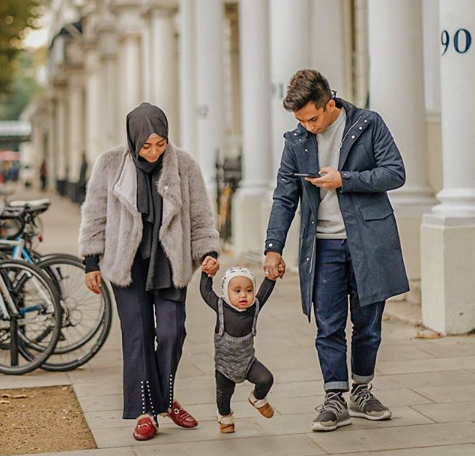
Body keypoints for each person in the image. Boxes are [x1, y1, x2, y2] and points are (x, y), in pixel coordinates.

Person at [263, 69, 409, 432]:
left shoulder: (368, 124)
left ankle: (362, 390)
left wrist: (345, 179)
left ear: (330, 103)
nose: (308, 127)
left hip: (368, 242)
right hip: (322, 246)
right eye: (301, 121)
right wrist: (272, 248)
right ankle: (334, 398)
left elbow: (395, 173)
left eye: (312, 118)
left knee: (368, 325)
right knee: (327, 326)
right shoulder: (296, 141)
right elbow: (285, 197)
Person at [78, 102, 220, 441]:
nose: (154, 151)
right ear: (133, 139)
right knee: (138, 336)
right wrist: (90, 262)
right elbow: (95, 214)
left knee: (172, 332)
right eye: (146, 145)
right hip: (126, 264)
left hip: (170, 261)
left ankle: (166, 399)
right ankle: (146, 411)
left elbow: (200, 215)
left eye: (160, 143)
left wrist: (209, 251)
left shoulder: (184, 165)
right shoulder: (110, 164)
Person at [200, 264, 280, 433]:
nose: (243, 295)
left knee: (266, 379)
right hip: (224, 366)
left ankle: (257, 398)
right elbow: (205, 292)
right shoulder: (221, 307)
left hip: (248, 362)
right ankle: (225, 417)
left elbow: (265, 290)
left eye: (249, 290)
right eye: (237, 291)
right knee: (224, 394)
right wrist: (206, 274)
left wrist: (271, 277)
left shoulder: (254, 308)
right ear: (226, 292)